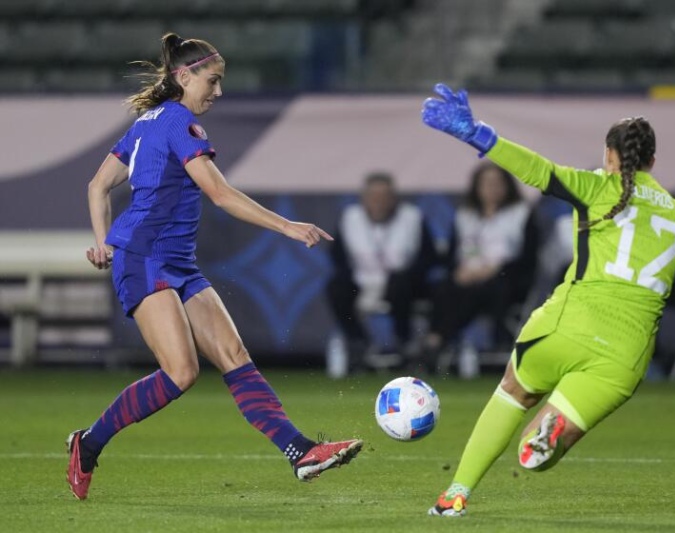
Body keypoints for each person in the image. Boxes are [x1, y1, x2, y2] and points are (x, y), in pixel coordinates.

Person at [420, 83, 675, 517]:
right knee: (536, 450)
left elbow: (535, 170)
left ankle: (455, 495)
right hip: (624, 355)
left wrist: (475, 132)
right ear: (652, 161)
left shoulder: (596, 187)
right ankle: (546, 439)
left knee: (513, 393)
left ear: (610, 155)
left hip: (565, 325)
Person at [67, 33, 362, 501]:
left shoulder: (148, 121)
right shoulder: (181, 124)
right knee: (181, 373)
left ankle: (300, 451)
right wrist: (286, 225)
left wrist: (102, 243)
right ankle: (89, 443)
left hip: (174, 261)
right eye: (213, 80)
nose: (218, 92)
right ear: (183, 76)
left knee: (234, 356)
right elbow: (220, 194)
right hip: (144, 258)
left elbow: (96, 185)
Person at [420, 162, 538, 370]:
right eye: (486, 183)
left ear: (507, 186)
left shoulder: (521, 214)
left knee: (486, 290)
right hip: (468, 276)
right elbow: (452, 255)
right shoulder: (465, 215)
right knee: (444, 287)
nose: (491, 189)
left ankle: (441, 340)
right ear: (476, 187)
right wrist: (459, 271)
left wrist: (494, 269)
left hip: (505, 277)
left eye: (496, 183)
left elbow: (529, 258)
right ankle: (436, 341)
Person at [326, 171, 436, 371]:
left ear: (394, 198)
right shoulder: (351, 218)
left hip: (402, 284)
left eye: (384, 196)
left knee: (402, 284)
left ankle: (403, 343)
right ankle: (358, 342)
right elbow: (338, 257)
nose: (379, 202)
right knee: (336, 287)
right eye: (373, 196)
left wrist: (407, 275)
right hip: (362, 283)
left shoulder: (411, 217)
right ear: (364, 199)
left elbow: (428, 257)